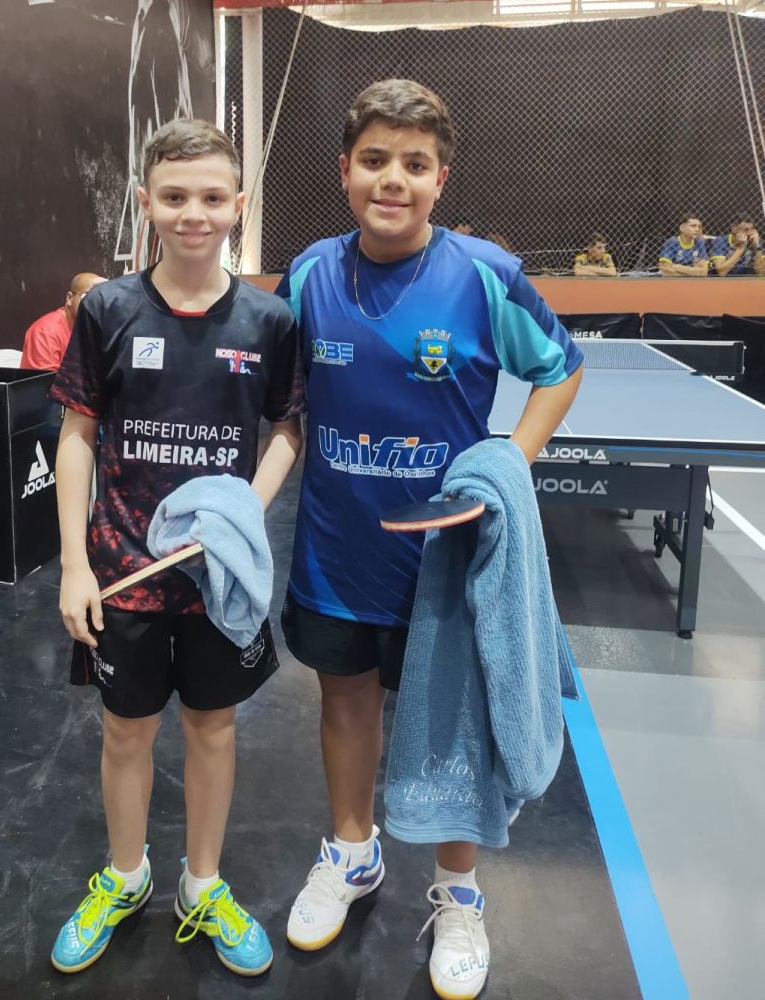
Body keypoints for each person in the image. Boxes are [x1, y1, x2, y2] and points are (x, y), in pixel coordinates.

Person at [276, 79, 583, 1000]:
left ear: (441, 179)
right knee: (345, 703)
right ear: (344, 170)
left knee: (452, 726)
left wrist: (509, 462)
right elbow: (283, 400)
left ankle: (457, 893)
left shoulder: (486, 274)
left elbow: (560, 370)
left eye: (415, 164)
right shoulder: (308, 274)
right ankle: (353, 852)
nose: (393, 180)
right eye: (375, 160)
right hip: (335, 551)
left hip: (444, 566)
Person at [47, 118, 304, 976]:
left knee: (213, 727)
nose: (194, 212)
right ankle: (126, 877)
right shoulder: (109, 310)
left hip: (217, 579)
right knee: (125, 734)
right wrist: (75, 566)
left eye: (212, 196)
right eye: (175, 196)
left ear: (240, 204)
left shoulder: (269, 320)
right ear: (145, 201)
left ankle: (203, 884)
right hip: (124, 569)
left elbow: (287, 430)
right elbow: (77, 436)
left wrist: (241, 514)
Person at [20, 272, 106, 370]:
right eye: (88, 297)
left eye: (100, 300)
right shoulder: (45, 332)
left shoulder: (97, 328)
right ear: (69, 298)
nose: (95, 304)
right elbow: (47, 378)